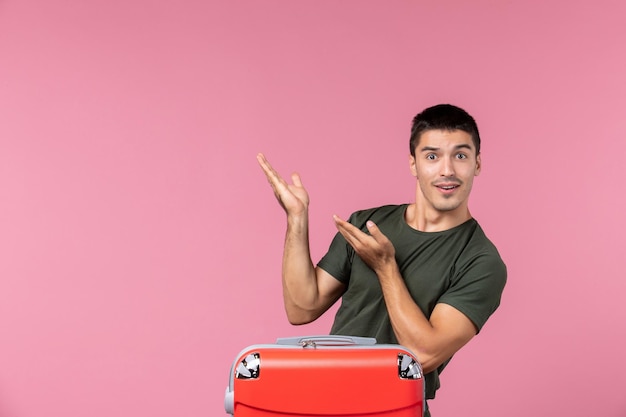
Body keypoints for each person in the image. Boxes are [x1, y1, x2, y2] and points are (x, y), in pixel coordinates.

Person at [257, 104, 506, 416]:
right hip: (325, 401)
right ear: (413, 164)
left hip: (396, 408)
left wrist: (386, 267)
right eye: (432, 156)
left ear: (477, 163)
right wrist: (296, 219)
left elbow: (422, 353)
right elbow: (302, 307)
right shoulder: (367, 222)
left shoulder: (481, 262)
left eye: (460, 155)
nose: (447, 170)